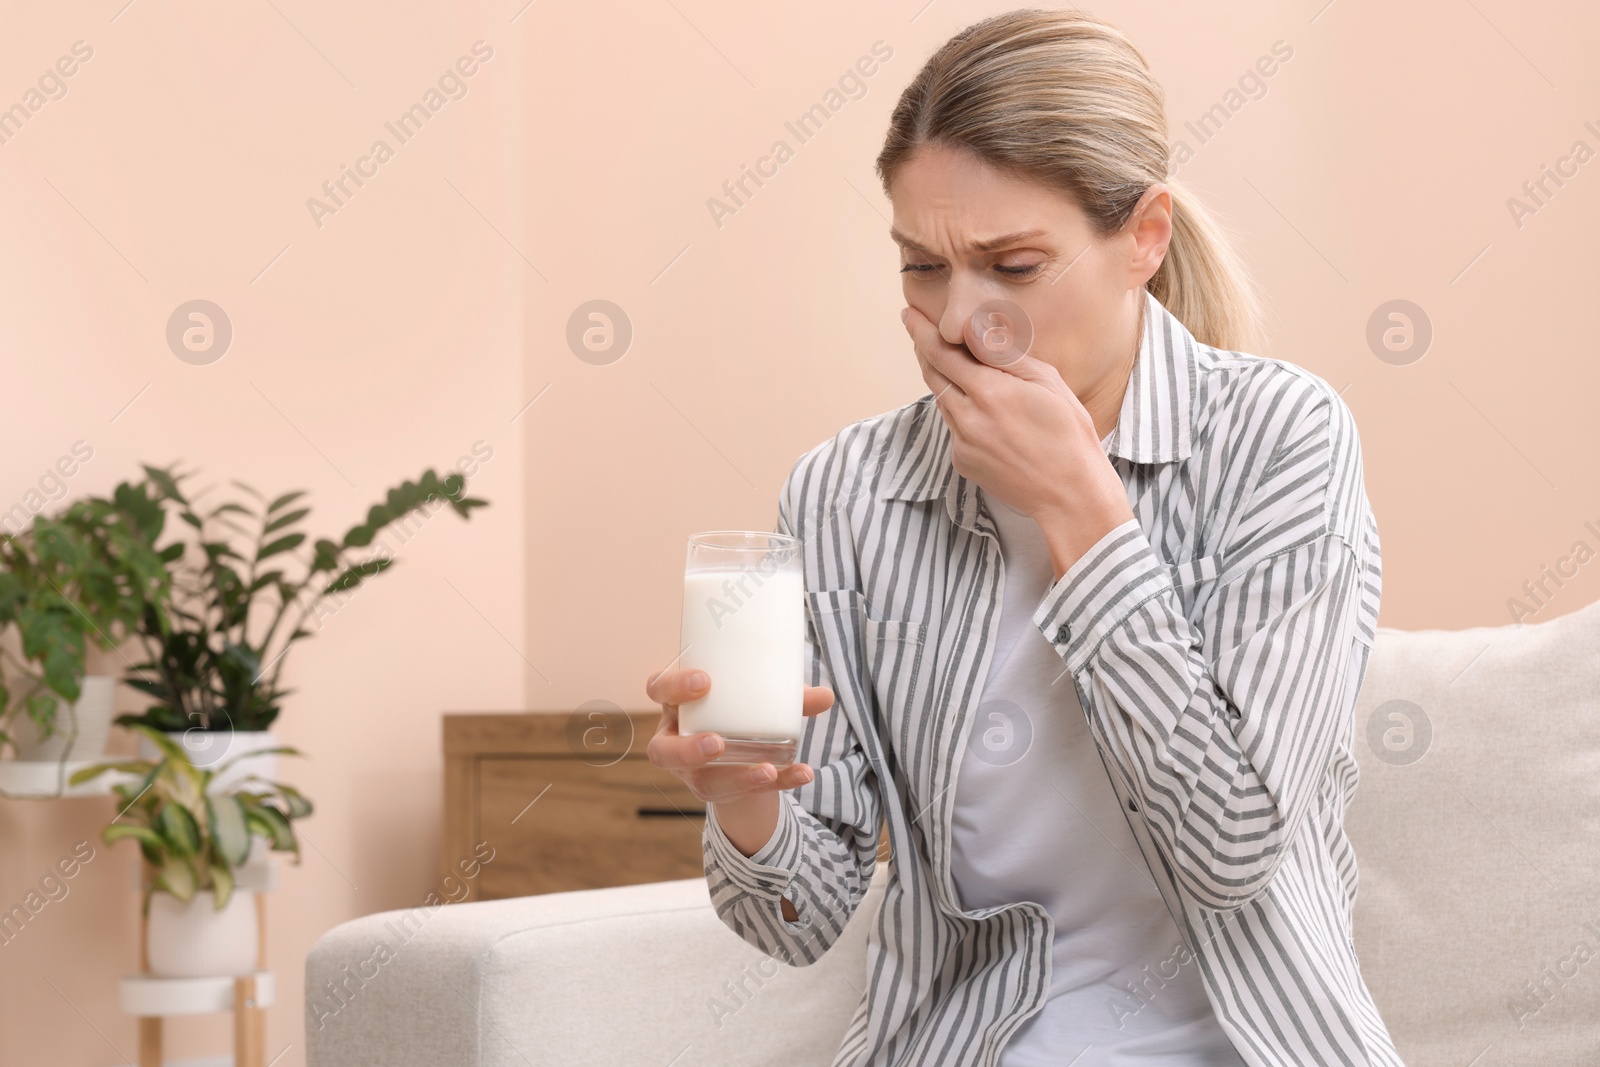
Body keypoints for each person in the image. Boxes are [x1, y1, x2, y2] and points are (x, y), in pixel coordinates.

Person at [646, 9, 1404, 1065]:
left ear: (1145, 236)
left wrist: (1080, 513)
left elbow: (1233, 847)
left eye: (1011, 266)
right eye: (921, 266)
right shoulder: (844, 494)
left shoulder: (1282, 441)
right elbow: (801, 918)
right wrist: (744, 805)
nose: (960, 320)